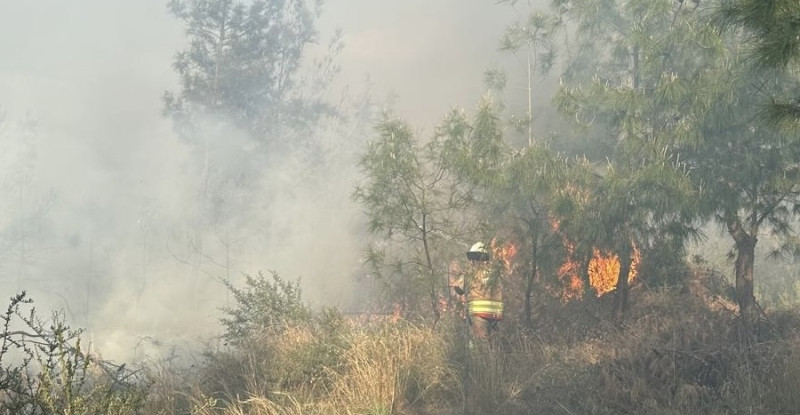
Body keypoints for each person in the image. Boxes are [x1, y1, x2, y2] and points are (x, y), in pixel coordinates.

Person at [450, 242, 504, 339]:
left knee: (481, 345)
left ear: (474, 258)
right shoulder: (494, 274)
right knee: (494, 344)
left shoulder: (470, 273)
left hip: (478, 313)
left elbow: (457, 287)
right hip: (495, 315)